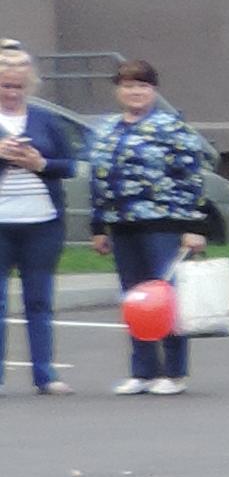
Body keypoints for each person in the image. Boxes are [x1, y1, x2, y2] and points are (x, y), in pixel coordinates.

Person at [81, 55, 216, 394]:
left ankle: (173, 372)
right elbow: (97, 181)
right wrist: (98, 227)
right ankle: (142, 371)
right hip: (121, 225)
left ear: (153, 90)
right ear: (118, 90)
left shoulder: (171, 128)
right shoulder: (106, 130)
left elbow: (192, 178)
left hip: (164, 225)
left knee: (165, 297)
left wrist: (195, 226)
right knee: (135, 299)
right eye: (128, 85)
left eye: (142, 85)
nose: (135, 92)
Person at [0, 44, 76, 397]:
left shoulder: (46, 120)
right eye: (5, 86)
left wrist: (40, 163)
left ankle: (45, 374)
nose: (12, 93)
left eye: (18, 86)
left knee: (40, 300)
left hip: (42, 224)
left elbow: (70, 165)